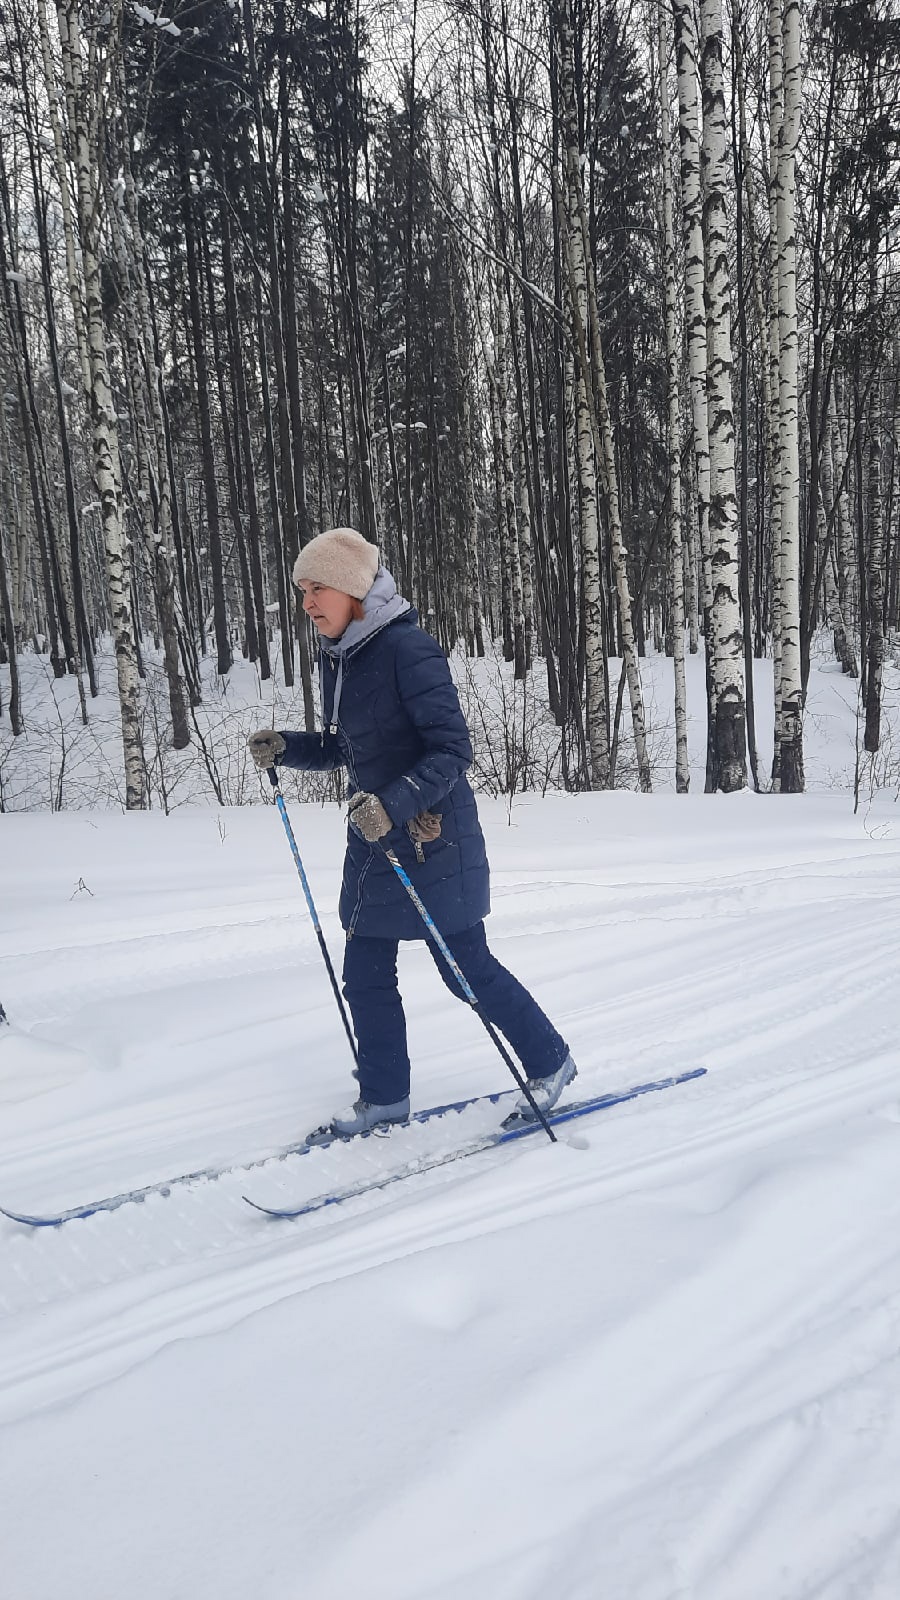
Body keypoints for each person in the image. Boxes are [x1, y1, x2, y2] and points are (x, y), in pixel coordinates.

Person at [249, 526, 576, 1138]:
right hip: (374, 842)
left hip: (430, 838)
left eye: (318, 587)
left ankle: (551, 1062)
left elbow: (453, 750)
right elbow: (351, 748)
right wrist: (289, 748)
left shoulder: (407, 649)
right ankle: (385, 1099)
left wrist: (394, 806)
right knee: (365, 972)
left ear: (351, 590)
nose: (308, 603)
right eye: (302, 591)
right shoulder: (342, 656)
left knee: (465, 969)